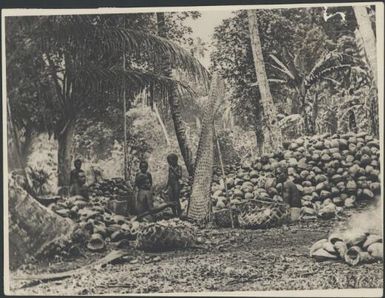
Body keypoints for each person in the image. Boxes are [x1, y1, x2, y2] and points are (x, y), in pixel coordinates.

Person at [167, 153, 183, 217]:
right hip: (170, 185)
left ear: (175, 160)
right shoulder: (170, 168)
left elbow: (179, 176)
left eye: (170, 161)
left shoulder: (179, 167)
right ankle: (174, 213)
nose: (169, 163)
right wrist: (166, 186)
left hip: (176, 184)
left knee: (176, 199)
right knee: (171, 199)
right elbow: (169, 177)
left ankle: (179, 213)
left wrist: (173, 170)